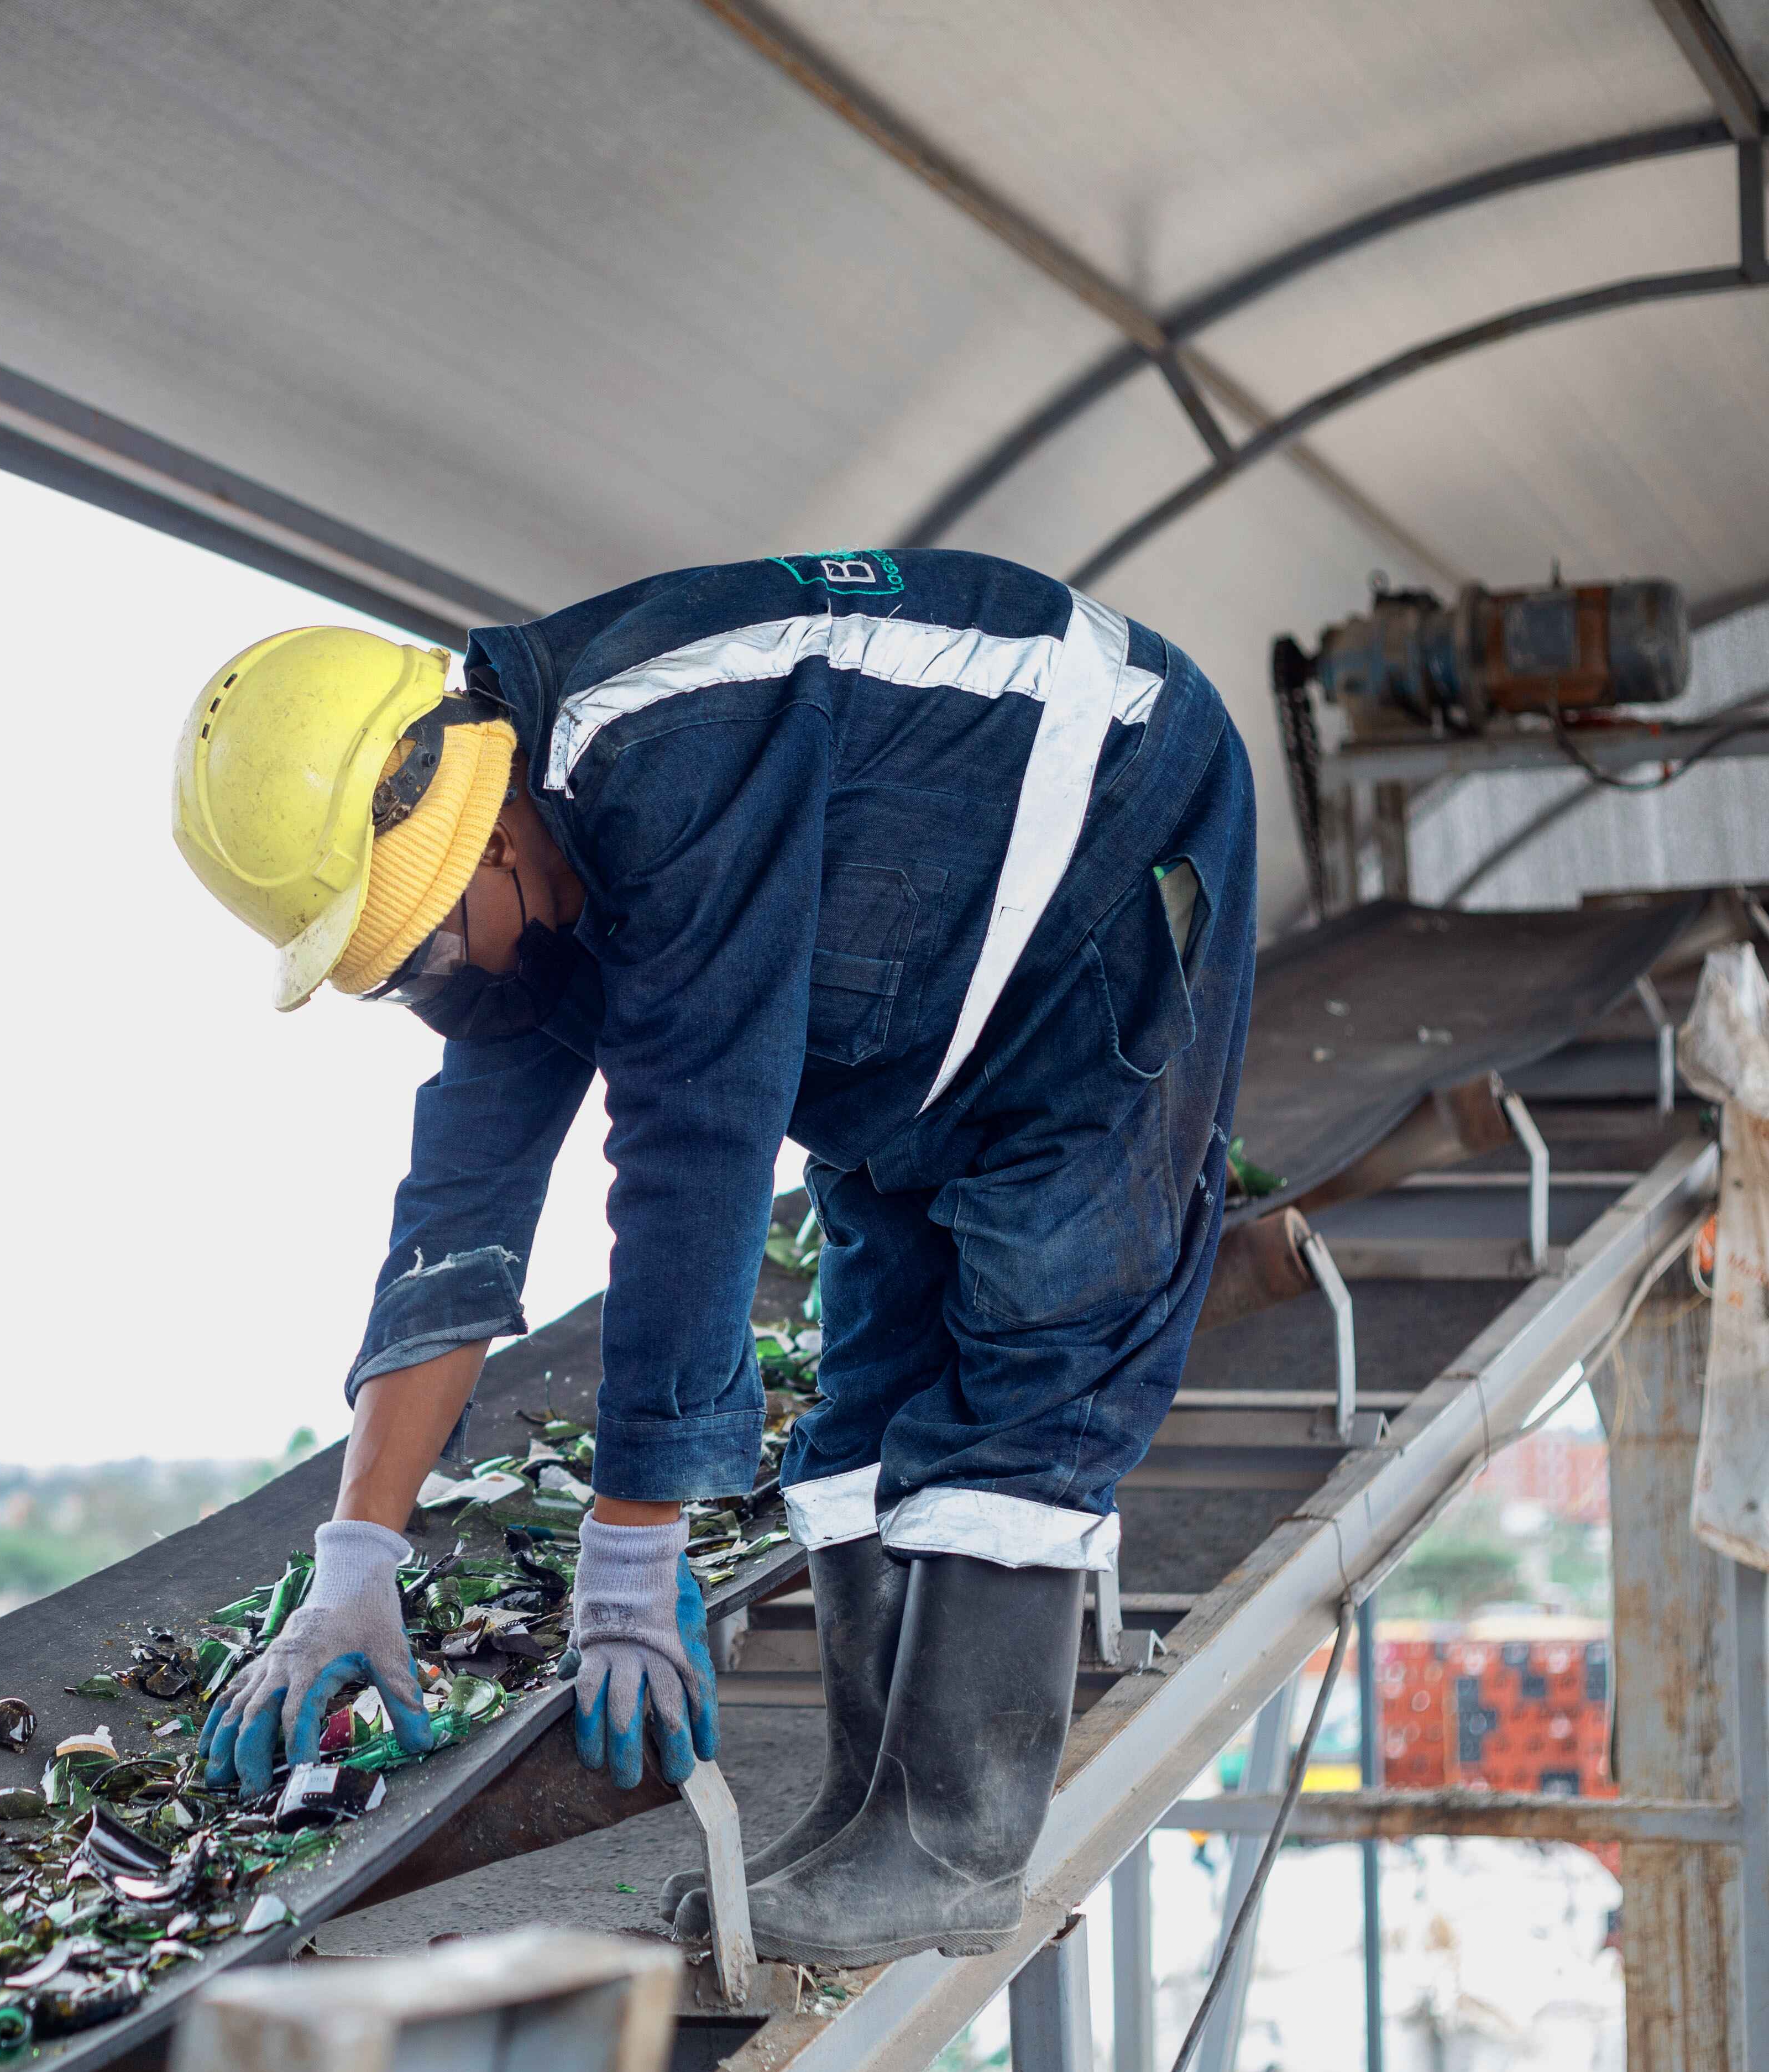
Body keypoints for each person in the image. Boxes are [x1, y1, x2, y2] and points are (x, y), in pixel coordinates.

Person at [175, 550, 1253, 1965]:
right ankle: (867, 1811)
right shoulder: (517, 856)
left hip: (1109, 845)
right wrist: (353, 1554)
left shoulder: (669, 751)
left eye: (419, 961)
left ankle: (949, 1841)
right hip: (908, 1007)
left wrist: (632, 1544)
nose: (431, 997)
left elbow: (694, 1147)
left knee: (1042, 1305)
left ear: (486, 848)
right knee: (878, 1340)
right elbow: (460, 1202)